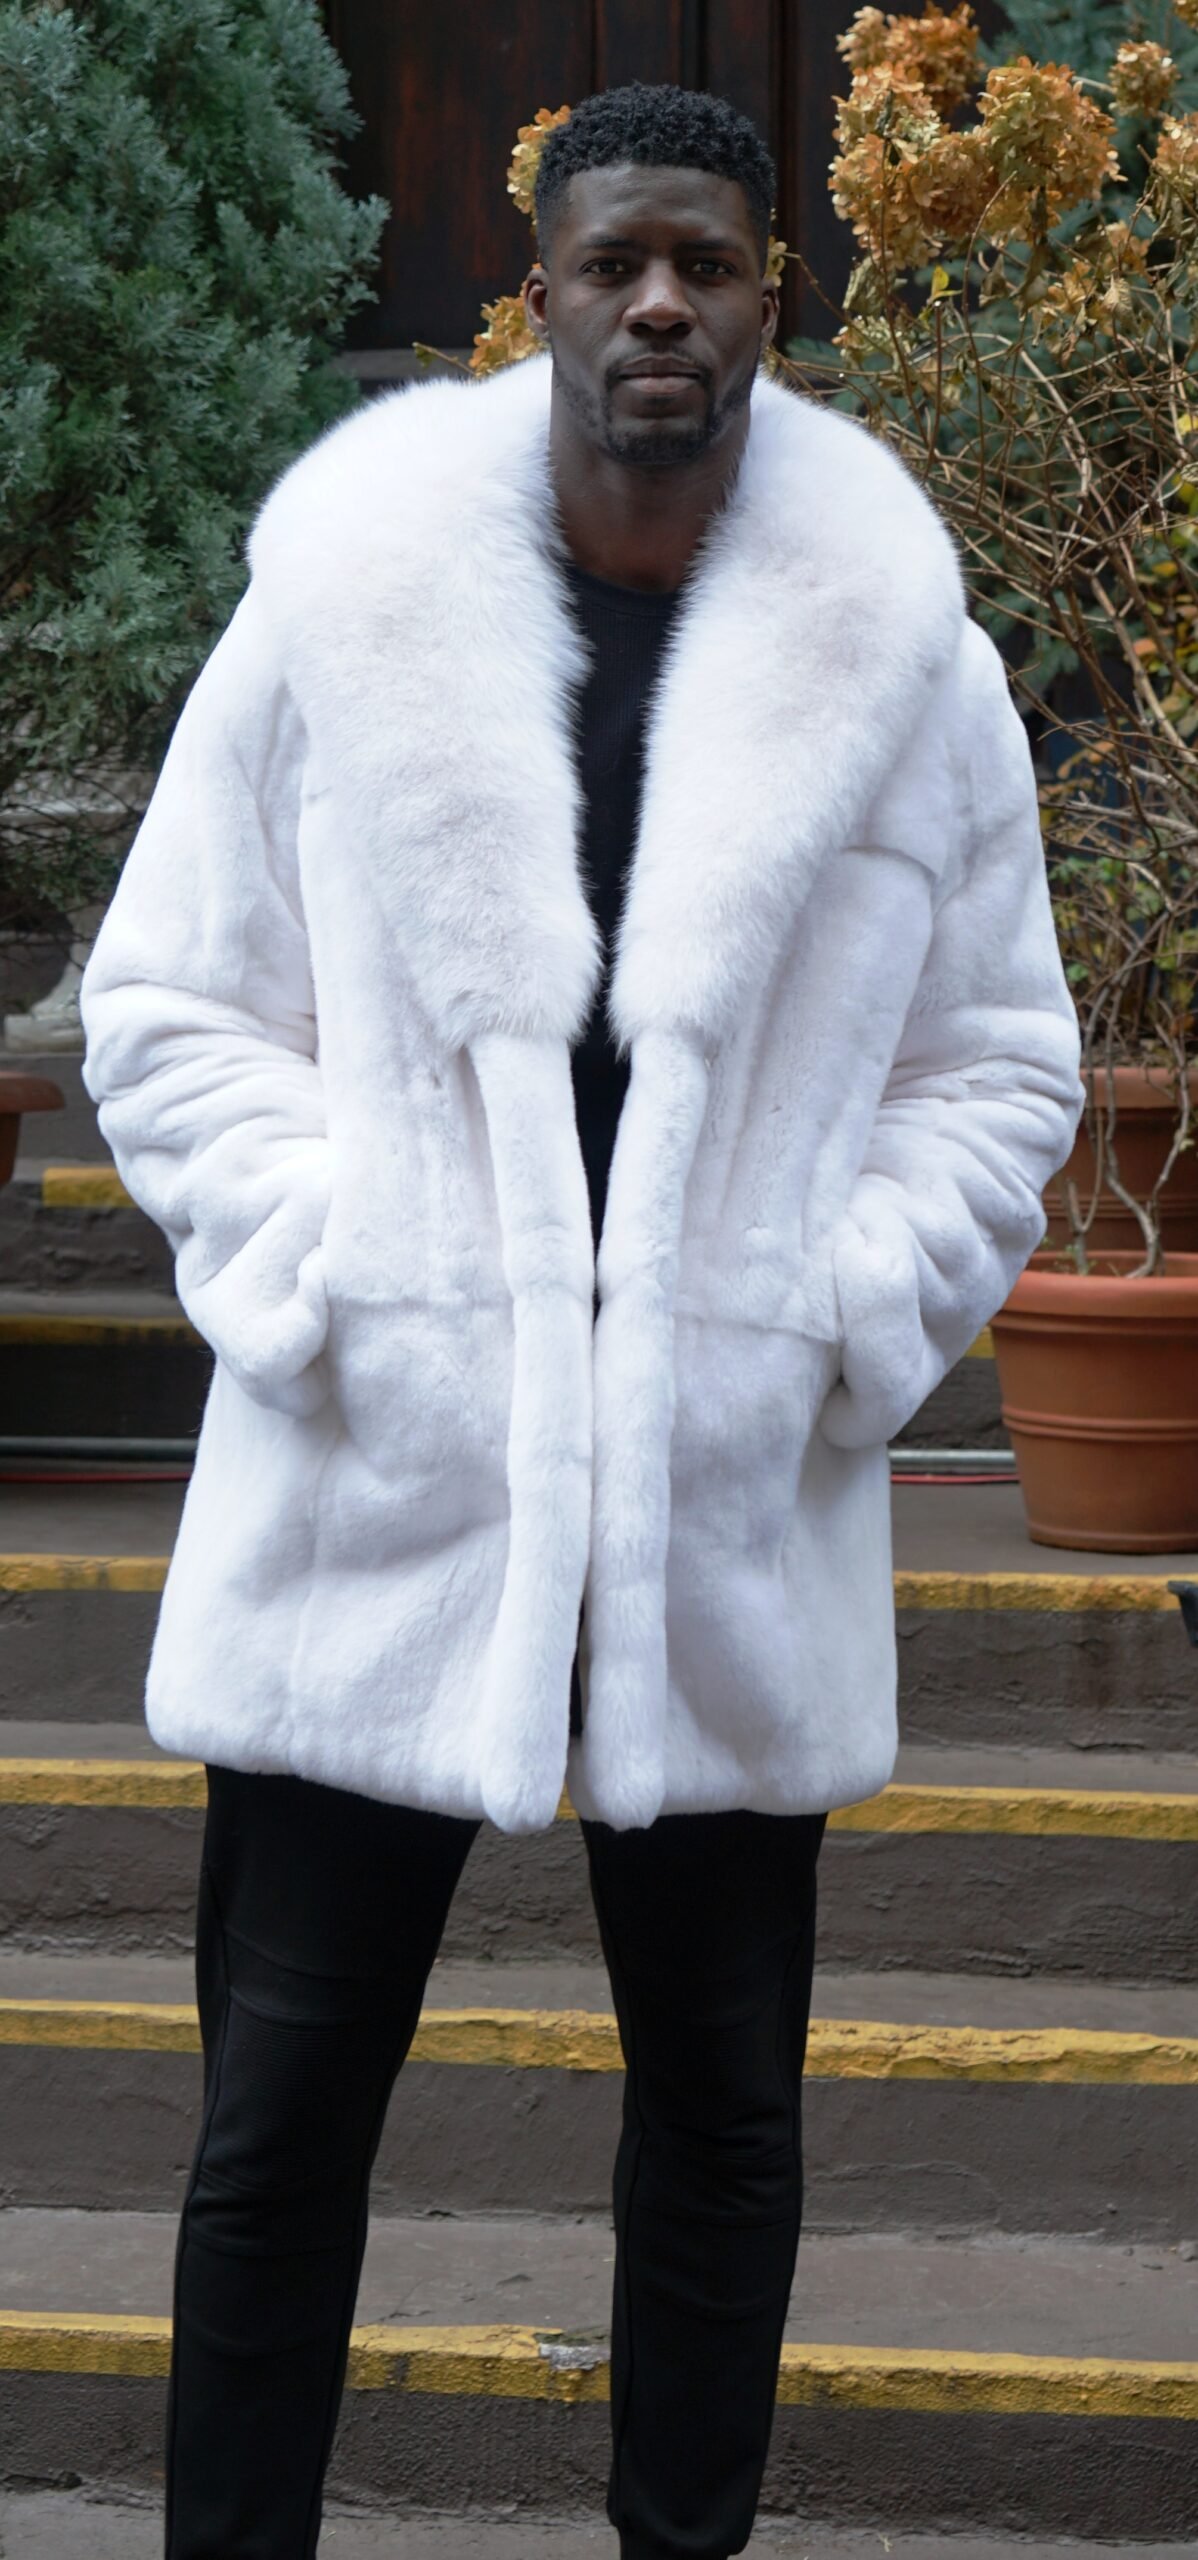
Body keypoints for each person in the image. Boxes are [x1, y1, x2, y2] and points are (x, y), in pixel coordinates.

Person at [80, 80, 1083, 2560]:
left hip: (718, 1496)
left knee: (725, 2118)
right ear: (529, 293)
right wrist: (333, 1271)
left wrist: (830, 1312)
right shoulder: (338, 618)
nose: (658, 305)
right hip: (380, 1477)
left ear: (770, 297)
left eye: (704, 263)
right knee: (276, 2120)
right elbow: (174, 1005)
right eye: (613, 260)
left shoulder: (905, 669)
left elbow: (993, 1065)